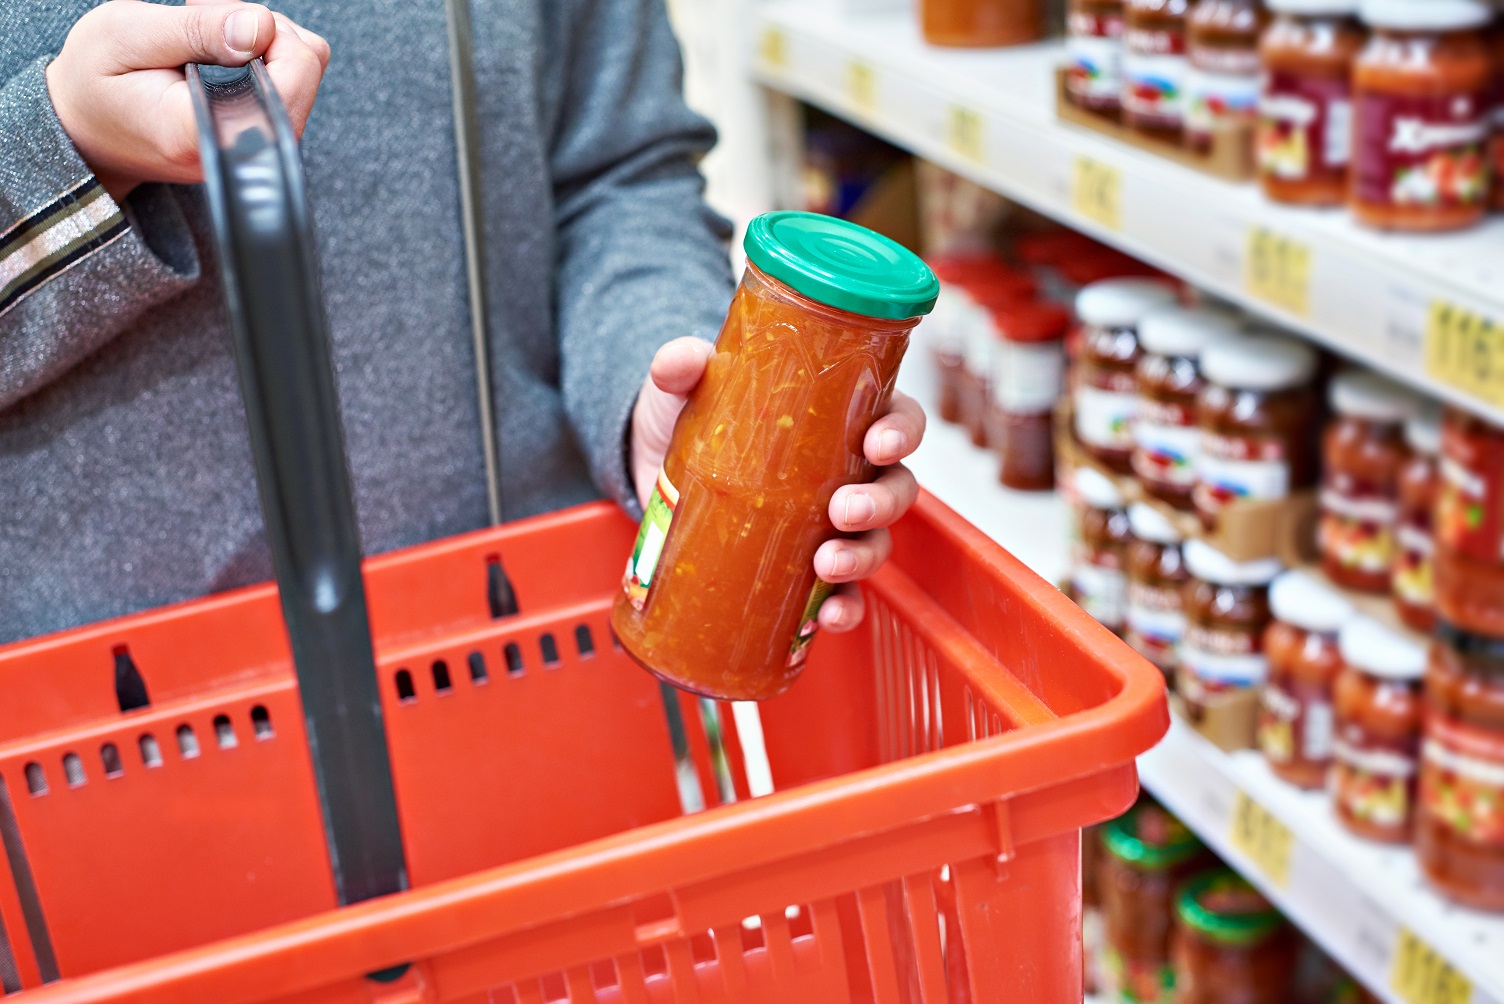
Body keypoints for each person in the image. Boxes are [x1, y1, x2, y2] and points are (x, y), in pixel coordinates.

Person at [0, 0, 925, 646]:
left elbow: (617, 171)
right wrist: (59, 150)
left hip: (535, 644)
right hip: (105, 729)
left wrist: (660, 399)